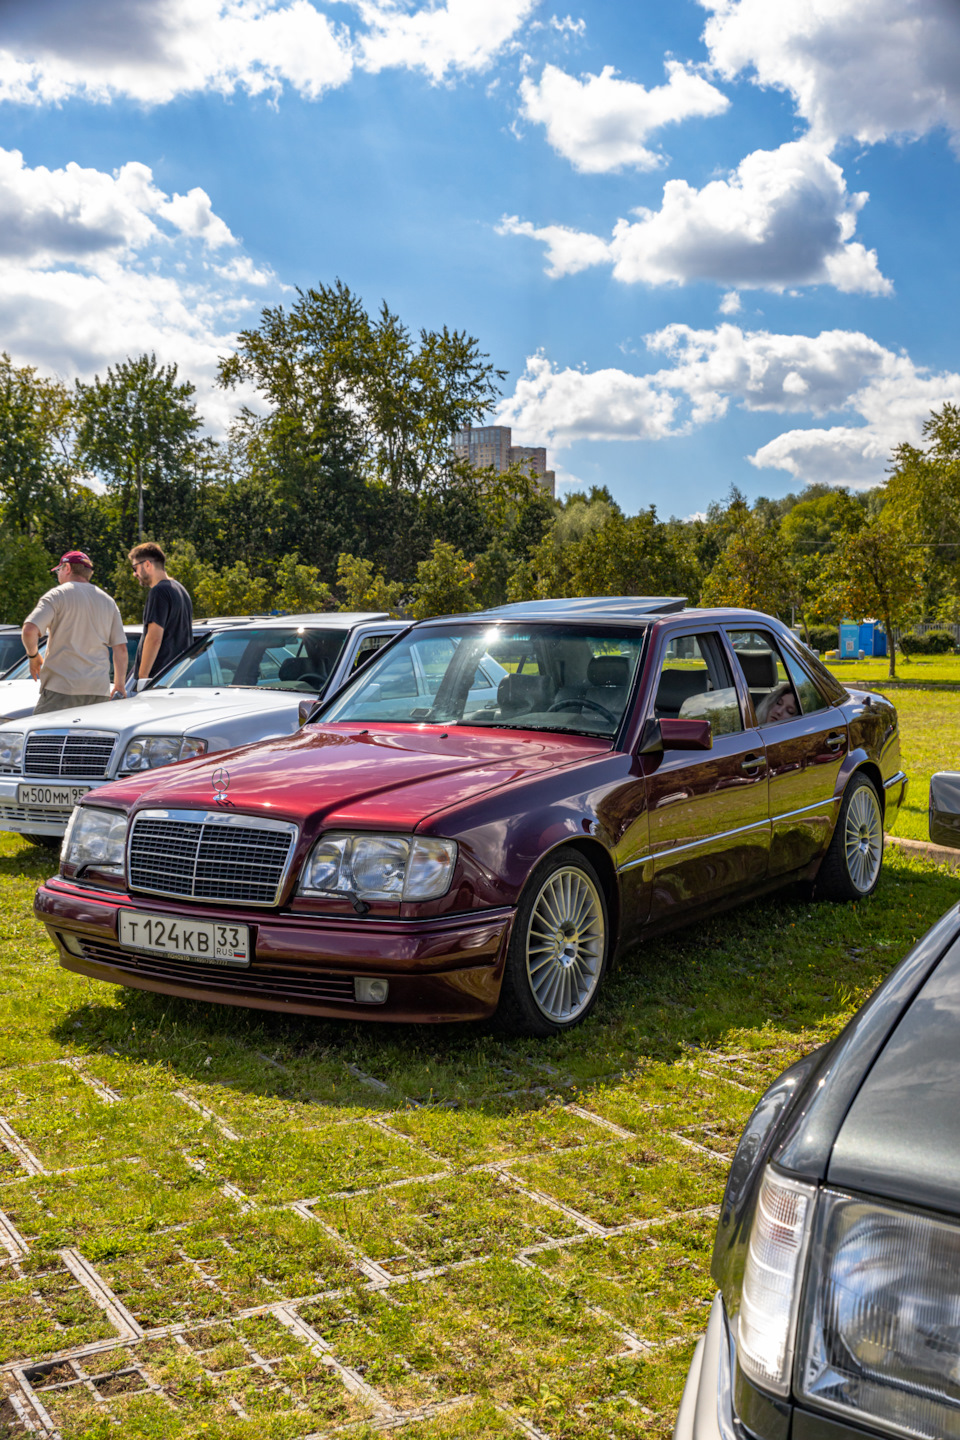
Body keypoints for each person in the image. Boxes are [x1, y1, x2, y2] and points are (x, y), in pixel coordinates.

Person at [21, 551, 127, 715]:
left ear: (67, 568)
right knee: (87, 740)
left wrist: (33, 657)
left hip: (61, 689)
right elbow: (120, 648)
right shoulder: (108, 601)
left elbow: (29, 630)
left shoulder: (57, 595)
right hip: (98, 692)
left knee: (44, 738)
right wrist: (120, 685)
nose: (58, 575)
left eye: (59, 570)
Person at [129, 542, 193, 687]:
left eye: (135, 568)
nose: (134, 574)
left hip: (159, 680)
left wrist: (143, 678)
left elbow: (154, 638)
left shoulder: (158, 592)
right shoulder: (180, 589)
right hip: (179, 676)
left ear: (147, 564)